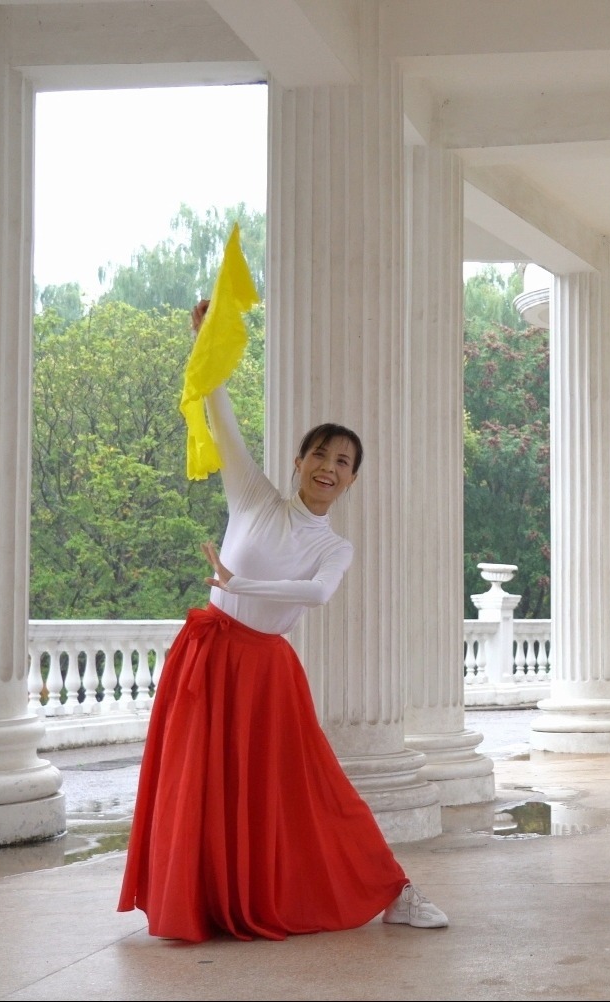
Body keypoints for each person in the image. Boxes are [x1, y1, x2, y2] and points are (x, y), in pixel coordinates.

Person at [117, 299, 445, 942]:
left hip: (267, 670)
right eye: (320, 454)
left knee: (308, 789)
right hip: (206, 654)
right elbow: (220, 413)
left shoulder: (334, 546)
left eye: (343, 462)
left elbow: (317, 595)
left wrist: (244, 584)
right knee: (197, 784)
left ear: (351, 482)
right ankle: (202, 899)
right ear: (298, 461)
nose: (329, 467)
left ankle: (391, 889)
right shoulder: (251, 495)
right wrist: (207, 341)